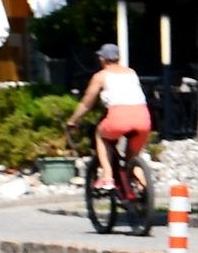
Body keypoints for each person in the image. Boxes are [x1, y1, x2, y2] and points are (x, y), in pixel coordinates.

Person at [63, 44, 149, 190]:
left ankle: (107, 177)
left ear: (102, 59)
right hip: (143, 118)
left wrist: (73, 120)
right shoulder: (131, 72)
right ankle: (144, 194)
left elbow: (86, 104)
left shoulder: (101, 76)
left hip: (119, 117)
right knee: (132, 158)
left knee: (100, 135)